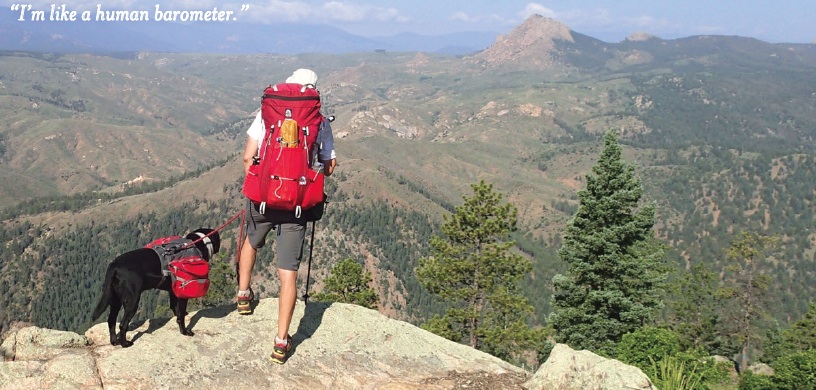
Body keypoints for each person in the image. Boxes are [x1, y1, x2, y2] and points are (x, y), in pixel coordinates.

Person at [237, 68, 337, 364]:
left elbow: (247, 156)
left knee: (251, 242)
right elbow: (328, 166)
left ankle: (243, 296)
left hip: (264, 198)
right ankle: (281, 342)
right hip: (297, 204)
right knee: (288, 272)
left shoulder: (267, 114)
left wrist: (259, 185)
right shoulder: (318, 121)